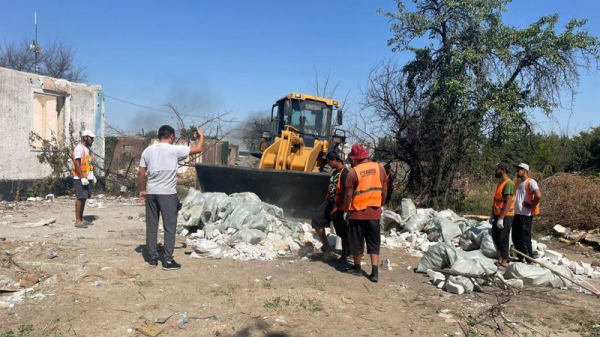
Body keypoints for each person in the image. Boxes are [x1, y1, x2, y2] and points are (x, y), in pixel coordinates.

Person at [138, 125, 204, 270]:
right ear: (172, 136)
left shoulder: (147, 151)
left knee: (152, 226)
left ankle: (152, 258)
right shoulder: (174, 150)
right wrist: (201, 137)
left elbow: (141, 173)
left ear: (159, 135)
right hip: (167, 193)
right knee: (169, 227)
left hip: (151, 192)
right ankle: (168, 260)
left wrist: (142, 190)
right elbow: (198, 149)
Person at [343, 144, 388, 282]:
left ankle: (357, 268)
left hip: (357, 213)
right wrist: (380, 204)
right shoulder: (379, 168)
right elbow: (384, 190)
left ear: (355, 159)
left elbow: (348, 195)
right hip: (374, 212)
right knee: (374, 242)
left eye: (352, 159)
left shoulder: (353, 172)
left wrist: (346, 210)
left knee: (356, 241)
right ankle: (374, 273)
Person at [311, 151, 349, 262]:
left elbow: (344, 192)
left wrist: (337, 208)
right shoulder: (334, 173)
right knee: (317, 219)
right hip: (329, 203)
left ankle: (344, 255)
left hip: (339, 206)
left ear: (334, 160)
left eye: (328, 161)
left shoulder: (345, 173)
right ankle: (327, 248)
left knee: (342, 231)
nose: (328, 164)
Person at [512, 163, 542, 262]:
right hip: (516, 214)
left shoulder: (531, 182)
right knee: (516, 237)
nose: (517, 172)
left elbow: (538, 195)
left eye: (519, 170)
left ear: (525, 171)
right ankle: (520, 257)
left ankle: (529, 259)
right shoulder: (517, 182)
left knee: (525, 238)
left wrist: (532, 205)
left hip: (525, 215)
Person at [489, 162, 515, 267]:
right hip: (497, 214)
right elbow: (496, 200)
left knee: (503, 238)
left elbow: (508, 202)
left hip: (506, 215)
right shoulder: (500, 182)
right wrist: (492, 214)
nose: (496, 171)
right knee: (496, 236)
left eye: (497, 169)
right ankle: (500, 259)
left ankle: (505, 261)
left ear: (503, 171)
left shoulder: (509, 184)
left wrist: (501, 218)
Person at [73, 130, 96, 228]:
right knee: (80, 198)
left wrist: (92, 175)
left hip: (88, 177)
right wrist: (82, 177)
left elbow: (88, 164)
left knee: (84, 198)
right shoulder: (79, 148)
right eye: (91, 138)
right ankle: (78, 220)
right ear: (85, 137)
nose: (92, 140)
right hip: (80, 178)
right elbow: (77, 163)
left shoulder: (88, 149)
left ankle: (82, 219)